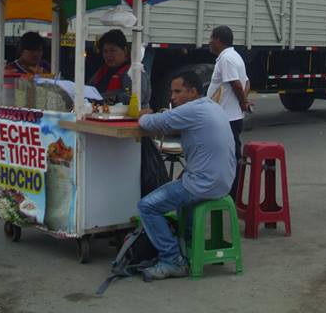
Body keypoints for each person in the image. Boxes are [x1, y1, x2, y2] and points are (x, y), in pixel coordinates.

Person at [137, 68, 236, 280]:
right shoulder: (211, 106)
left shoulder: (193, 110)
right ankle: (190, 242)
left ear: (192, 92)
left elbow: (153, 123)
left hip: (203, 184)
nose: (172, 97)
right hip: (222, 182)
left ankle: (172, 259)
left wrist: (143, 114)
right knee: (183, 182)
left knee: (146, 207)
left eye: (177, 91)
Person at [207, 25, 252, 190]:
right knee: (230, 156)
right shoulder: (235, 56)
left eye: (211, 39)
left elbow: (237, 84)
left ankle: (231, 193)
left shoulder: (226, 59)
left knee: (229, 158)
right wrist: (244, 101)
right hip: (231, 117)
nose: (209, 43)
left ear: (218, 40)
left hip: (227, 118)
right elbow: (246, 82)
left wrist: (243, 101)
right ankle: (231, 191)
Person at [88, 28, 150, 106]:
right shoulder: (102, 71)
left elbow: (139, 96)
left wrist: (114, 97)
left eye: (113, 50)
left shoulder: (133, 71)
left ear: (125, 50)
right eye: (105, 51)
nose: (108, 55)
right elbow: (89, 88)